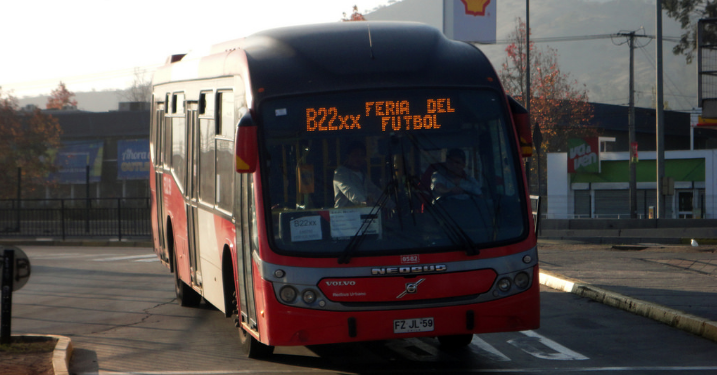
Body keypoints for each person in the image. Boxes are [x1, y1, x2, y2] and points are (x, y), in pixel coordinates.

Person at [333, 142, 385, 208]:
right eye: (355, 155)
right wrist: (364, 202)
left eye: (362, 155)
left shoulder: (363, 175)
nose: (359, 158)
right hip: (344, 215)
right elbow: (348, 189)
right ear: (348, 156)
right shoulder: (340, 173)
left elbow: (375, 191)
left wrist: (392, 205)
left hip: (363, 214)